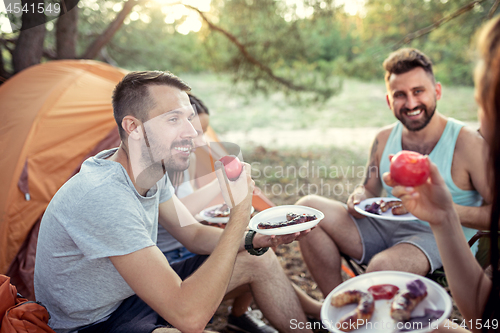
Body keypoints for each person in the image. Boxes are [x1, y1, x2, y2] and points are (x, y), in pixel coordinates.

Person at [34, 71, 314, 333]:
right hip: (93, 325)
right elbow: (189, 317)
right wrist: (240, 211)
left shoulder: (149, 167)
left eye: (189, 118)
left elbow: (192, 233)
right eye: (173, 119)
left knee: (258, 259)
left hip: (133, 297)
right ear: (133, 127)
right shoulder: (103, 195)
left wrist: (255, 238)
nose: (191, 132)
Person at [297, 48, 492, 296]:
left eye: (418, 91)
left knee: (382, 266)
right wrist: (359, 197)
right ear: (389, 101)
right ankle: (338, 310)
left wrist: (440, 210)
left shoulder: (468, 144)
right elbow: (369, 188)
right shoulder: (384, 138)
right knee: (308, 210)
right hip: (387, 229)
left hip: (442, 237)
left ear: (438, 91)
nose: (411, 103)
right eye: (400, 95)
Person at [386, 16, 500, 333]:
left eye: (483, 101)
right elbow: (483, 315)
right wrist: (443, 216)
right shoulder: (384, 138)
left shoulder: (468, 143)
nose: (482, 123)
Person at [157, 94, 278, 333]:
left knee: (259, 246)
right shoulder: (156, 169)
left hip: (187, 246)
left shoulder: (185, 160)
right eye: (196, 131)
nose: (200, 139)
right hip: (169, 256)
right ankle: (315, 312)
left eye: (202, 131)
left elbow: (191, 216)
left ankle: (242, 315)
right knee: (251, 252)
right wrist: (220, 185)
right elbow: (181, 214)